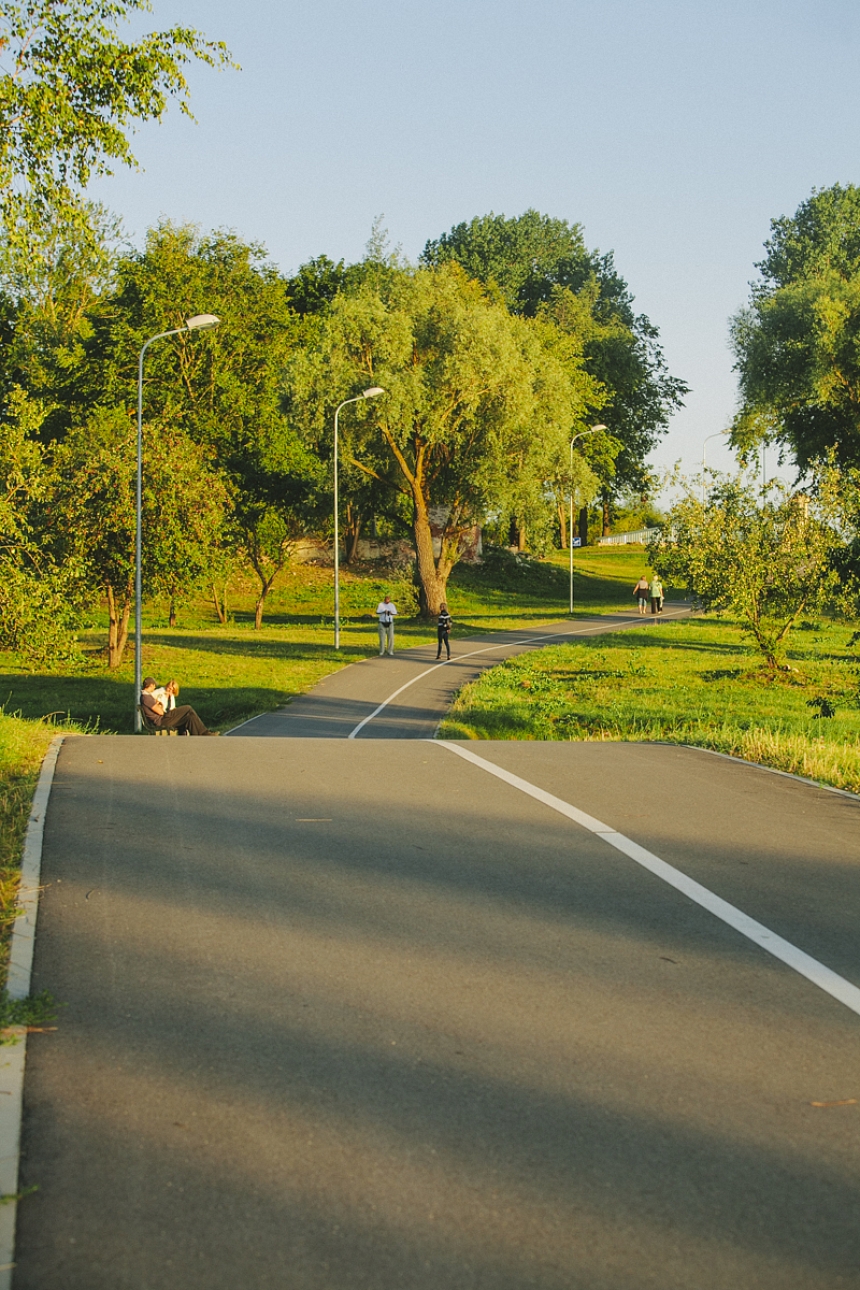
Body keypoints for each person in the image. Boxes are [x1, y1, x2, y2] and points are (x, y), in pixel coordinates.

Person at [140, 678, 218, 735]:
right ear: (150, 685)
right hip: (161, 721)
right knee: (188, 708)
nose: (154, 687)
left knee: (189, 717)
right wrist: (160, 705)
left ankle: (199, 735)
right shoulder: (146, 697)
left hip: (164, 719)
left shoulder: (147, 697)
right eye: (154, 685)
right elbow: (160, 712)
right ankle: (204, 733)